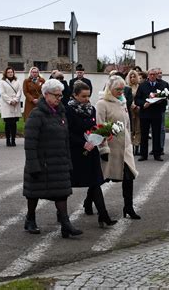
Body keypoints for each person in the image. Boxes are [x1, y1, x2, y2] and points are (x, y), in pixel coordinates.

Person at [23, 79, 82, 238]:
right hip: (42, 162)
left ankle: (65, 224)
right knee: (33, 193)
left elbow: (65, 139)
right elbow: (30, 143)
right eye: (56, 95)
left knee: (62, 193)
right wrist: (33, 165)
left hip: (59, 161)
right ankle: (30, 218)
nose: (59, 98)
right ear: (46, 94)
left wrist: (68, 161)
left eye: (60, 95)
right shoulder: (36, 115)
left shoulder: (61, 112)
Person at [66, 81, 117, 227]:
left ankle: (103, 215)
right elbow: (67, 132)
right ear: (75, 95)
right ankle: (62, 215)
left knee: (95, 183)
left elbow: (94, 127)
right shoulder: (68, 110)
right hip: (76, 152)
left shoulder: (91, 109)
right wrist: (82, 143)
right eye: (83, 96)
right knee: (67, 185)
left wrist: (100, 136)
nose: (87, 99)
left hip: (91, 151)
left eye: (88, 96)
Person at [97, 76, 141, 219]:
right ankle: (89, 202)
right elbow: (100, 126)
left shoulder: (123, 102)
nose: (120, 92)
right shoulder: (102, 104)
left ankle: (128, 207)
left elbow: (126, 124)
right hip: (111, 146)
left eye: (122, 89)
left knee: (129, 177)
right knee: (101, 179)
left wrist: (129, 138)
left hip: (125, 146)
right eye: (117, 89)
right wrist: (103, 148)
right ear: (109, 88)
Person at [134, 68, 166, 161]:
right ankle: (143, 155)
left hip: (156, 113)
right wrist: (143, 104)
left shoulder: (162, 85)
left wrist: (160, 101)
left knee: (157, 134)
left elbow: (165, 99)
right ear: (148, 75)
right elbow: (137, 99)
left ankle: (157, 154)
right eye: (151, 74)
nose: (152, 76)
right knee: (144, 134)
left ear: (157, 75)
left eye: (154, 74)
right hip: (145, 113)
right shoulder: (142, 85)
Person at [0, 66, 22, 147]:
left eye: (11, 72)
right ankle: (8, 140)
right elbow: (2, 93)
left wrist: (16, 100)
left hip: (15, 104)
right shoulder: (2, 82)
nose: (10, 73)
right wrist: (10, 101)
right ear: (6, 73)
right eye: (8, 72)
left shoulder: (17, 81)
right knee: (8, 123)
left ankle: (13, 140)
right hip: (7, 104)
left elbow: (19, 91)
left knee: (14, 123)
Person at [126, 70, 141, 156]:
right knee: (131, 129)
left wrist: (138, 106)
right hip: (130, 110)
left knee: (138, 128)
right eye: (130, 77)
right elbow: (127, 99)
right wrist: (132, 105)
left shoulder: (140, 87)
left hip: (138, 109)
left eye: (134, 76)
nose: (132, 78)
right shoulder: (127, 87)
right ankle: (130, 147)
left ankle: (137, 146)